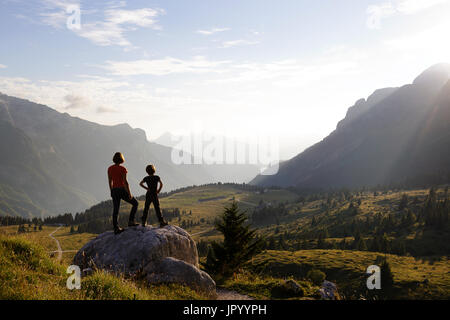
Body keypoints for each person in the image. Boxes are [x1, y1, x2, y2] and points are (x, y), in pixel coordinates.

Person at [107, 152, 139, 234]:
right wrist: (129, 193)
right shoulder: (123, 169)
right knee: (135, 203)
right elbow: (125, 182)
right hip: (122, 190)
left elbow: (110, 181)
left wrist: (111, 191)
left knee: (116, 209)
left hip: (114, 190)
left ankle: (116, 228)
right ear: (121, 159)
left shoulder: (110, 168)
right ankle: (131, 221)